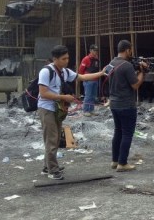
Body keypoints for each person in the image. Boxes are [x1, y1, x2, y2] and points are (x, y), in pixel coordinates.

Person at [38, 45, 105, 180]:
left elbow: (82, 77)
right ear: (55, 59)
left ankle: (48, 166)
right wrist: (64, 97)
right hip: (47, 109)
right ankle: (53, 170)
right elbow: (43, 93)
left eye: (67, 58)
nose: (67, 61)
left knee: (55, 138)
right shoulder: (46, 72)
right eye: (64, 59)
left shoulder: (64, 72)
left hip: (57, 109)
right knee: (51, 139)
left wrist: (101, 73)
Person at [107, 40, 148, 172]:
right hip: (126, 105)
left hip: (114, 104)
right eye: (131, 50)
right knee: (127, 134)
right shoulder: (127, 66)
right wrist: (143, 72)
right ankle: (122, 163)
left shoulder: (111, 63)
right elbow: (135, 85)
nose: (132, 52)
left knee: (118, 131)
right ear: (127, 50)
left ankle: (115, 161)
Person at [78, 44, 101, 116]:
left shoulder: (96, 59)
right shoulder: (86, 59)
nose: (96, 52)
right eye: (94, 50)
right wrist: (84, 78)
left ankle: (91, 110)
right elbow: (81, 70)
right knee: (88, 96)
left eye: (96, 50)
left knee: (93, 96)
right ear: (90, 50)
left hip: (95, 80)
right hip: (88, 80)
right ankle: (85, 110)